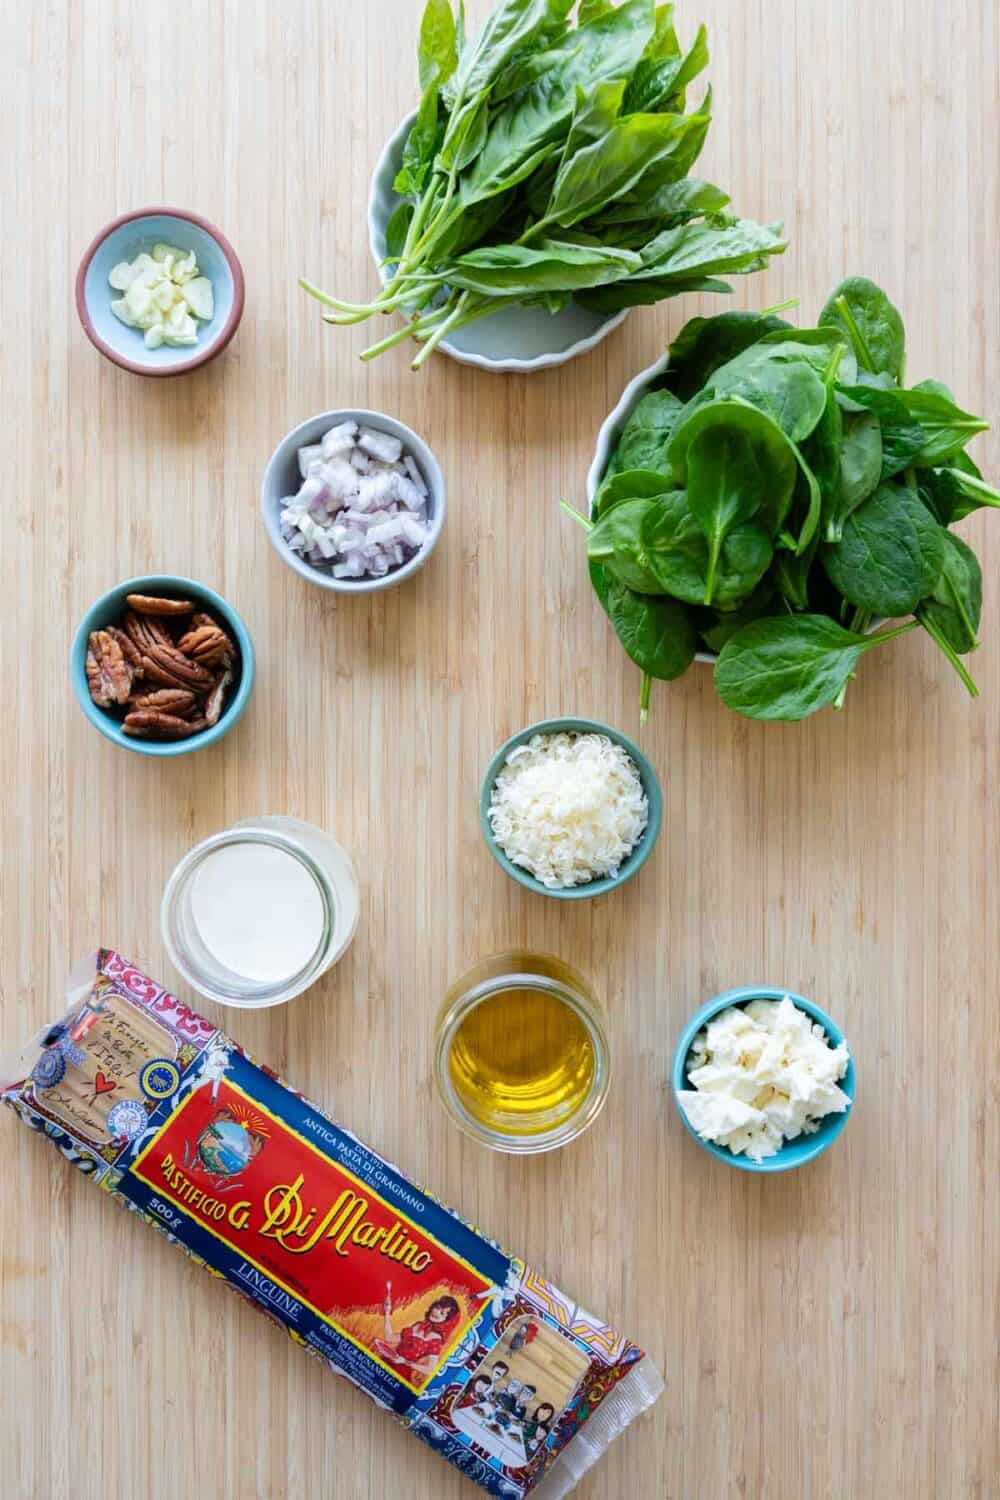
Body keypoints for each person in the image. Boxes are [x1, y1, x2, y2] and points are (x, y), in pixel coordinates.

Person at [374, 1289, 461, 1380]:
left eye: (442, 1313)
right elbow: (389, 1337)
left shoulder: (436, 1340)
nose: (436, 1312)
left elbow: (430, 1370)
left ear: (446, 1321)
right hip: (386, 1362)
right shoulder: (418, 1325)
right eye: (437, 1308)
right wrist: (387, 1312)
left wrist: (405, 1362)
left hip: (401, 1373)